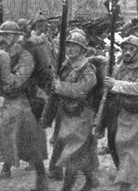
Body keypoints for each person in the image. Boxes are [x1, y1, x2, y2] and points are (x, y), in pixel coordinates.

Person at [0, 21, 49, 191]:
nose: (2, 38)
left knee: (30, 141)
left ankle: (41, 177)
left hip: (23, 101)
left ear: (16, 37)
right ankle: (0, 171)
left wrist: (2, 68)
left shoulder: (25, 56)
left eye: (7, 35)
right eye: (1, 35)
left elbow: (17, 81)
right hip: (1, 101)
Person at [103, 35, 138, 191]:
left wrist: (116, 84)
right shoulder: (118, 68)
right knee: (124, 152)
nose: (127, 52)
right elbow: (108, 95)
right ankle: (137, 182)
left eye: (131, 49)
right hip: (121, 116)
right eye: (124, 48)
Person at [48, 32, 99, 191]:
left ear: (82, 49)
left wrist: (59, 87)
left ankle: (66, 188)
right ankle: (91, 180)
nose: (69, 49)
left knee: (73, 152)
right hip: (66, 113)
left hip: (82, 114)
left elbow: (81, 90)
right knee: (76, 151)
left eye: (74, 46)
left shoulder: (88, 68)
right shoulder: (66, 65)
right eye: (68, 46)